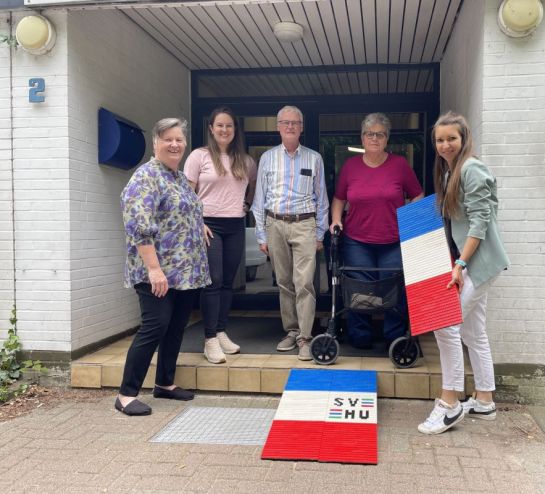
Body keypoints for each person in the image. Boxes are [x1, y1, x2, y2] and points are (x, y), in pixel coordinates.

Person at [418, 112, 510, 435]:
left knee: (445, 324)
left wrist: (461, 264)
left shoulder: (472, 169)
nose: (445, 145)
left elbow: (479, 224)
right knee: (473, 332)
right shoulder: (450, 171)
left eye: (451, 139)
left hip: (479, 263)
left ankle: (450, 403)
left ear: (464, 138)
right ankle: (484, 399)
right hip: (473, 262)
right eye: (440, 140)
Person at [116, 118, 210, 416]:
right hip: (157, 271)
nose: (174, 144)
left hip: (184, 271)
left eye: (179, 139)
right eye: (167, 139)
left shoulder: (179, 177)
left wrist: (199, 224)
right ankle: (126, 394)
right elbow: (139, 227)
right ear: (156, 142)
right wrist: (154, 269)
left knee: (175, 327)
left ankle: (164, 384)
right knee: (155, 326)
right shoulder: (146, 177)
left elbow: (183, 210)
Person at [330, 113, 423, 350]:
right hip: (357, 240)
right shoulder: (351, 167)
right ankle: (360, 336)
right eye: (370, 134)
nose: (374, 138)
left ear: (386, 138)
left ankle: (394, 337)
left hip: (393, 239)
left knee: (392, 288)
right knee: (360, 288)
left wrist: (408, 218)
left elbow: (418, 195)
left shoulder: (399, 165)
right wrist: (336, 221)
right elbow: (339, 198)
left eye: (379, 134)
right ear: (362, 138)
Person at [252, 105, 329, 361]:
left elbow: (322, 199)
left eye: (295, 122)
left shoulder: (314, 158)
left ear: (302, 127)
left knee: (304, 282)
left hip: (304, 224)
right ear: (278, 127)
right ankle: (291, 331)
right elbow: (259, 198)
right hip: (275, 224)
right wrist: (262, 235)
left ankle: (305, 338)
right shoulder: (267, 158)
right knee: (284, 282)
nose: (290, 126)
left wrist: (319, 233)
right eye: (285, 122)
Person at [184, 107, 257, 364]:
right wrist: (197, 222)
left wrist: (245, 208)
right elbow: (187, 194)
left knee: (227, 282)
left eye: (229, 126)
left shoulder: (246, 161)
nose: (224, 130)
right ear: (211, 129)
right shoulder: (198, 157)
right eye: (220, 125)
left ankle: (221, 330)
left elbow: (251, 191)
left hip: (235, 225)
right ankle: (209, 339)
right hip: (208, 225)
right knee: (212, 281)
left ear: (235, 130)